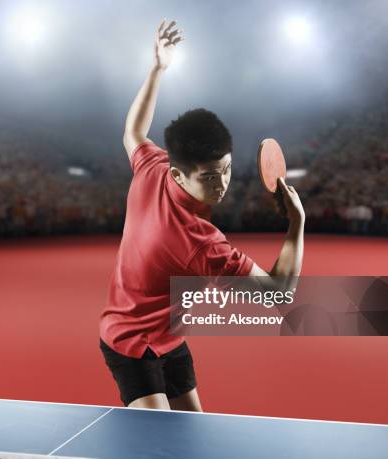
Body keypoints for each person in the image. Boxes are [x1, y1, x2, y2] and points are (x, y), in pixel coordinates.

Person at [99, 19, 305, 411]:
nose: (222, 184)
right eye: (210, 177)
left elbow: (133, 132)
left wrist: (157, 69)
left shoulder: (154, 168)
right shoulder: (200, 243)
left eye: (226, 169)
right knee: (158, 445)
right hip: (128, 340)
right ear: (180, 173)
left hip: (170, 336)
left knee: (195, 438)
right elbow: (280, 294)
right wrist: (297, 225)